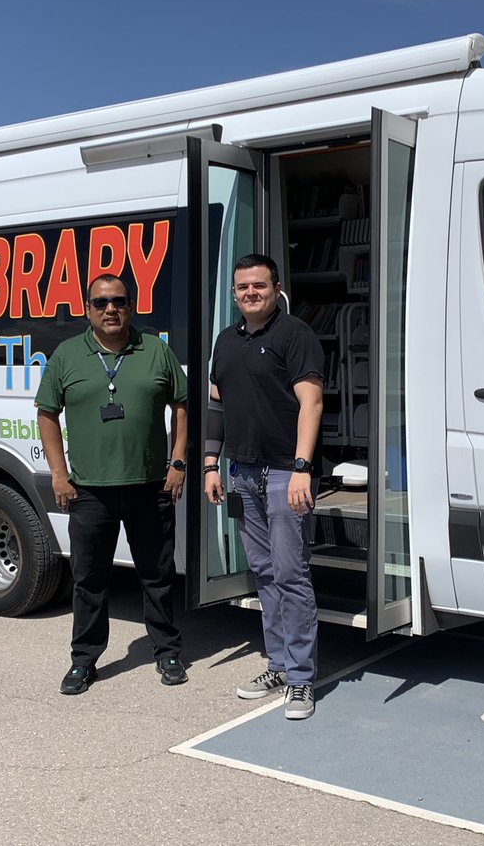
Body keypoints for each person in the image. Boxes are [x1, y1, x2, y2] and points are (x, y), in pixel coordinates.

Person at [36, 273, 189, 694]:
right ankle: (84, 660)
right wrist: (58, 475)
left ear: (131, 306)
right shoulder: (67, 355)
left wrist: (178, 462)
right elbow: (47, 415)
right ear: (87, 309)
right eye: (101, 302)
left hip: (150, 487)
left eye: (118, 301)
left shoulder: (156, 351)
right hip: (89, 492)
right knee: (89, 580)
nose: (110, 309)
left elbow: (182, 406)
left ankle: (168, 651)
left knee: (156, 577)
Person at [204, 254, 324, 720]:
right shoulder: (225, 341)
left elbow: (310, 403)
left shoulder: (295, 335)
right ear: (234, 294)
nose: (250, 293)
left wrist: (301, 468)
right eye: (242, 288)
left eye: (259, 285)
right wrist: (212, 463)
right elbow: (217, 406)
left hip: (283, 473)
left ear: (275, 288)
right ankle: (278, 663)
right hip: (242, 471)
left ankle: (300, 679)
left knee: (291, 573)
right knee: (265, 572)